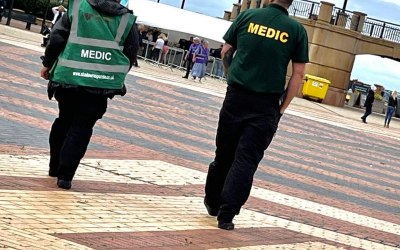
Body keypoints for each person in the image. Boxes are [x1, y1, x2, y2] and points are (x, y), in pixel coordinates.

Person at [204, 0, 309, 230]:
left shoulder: (247, 17)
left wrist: (231, 76)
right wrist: (281, 108)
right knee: (246, 160)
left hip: (236, 96)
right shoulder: (297, 30)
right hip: (266, 105)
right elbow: (298, 74)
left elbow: (225, 51)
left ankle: (212, 202)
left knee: (224, 154)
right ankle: (226, 215)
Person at [40, 0, 138, 190]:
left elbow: (57, 37)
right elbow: (131, 51)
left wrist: (48, 62)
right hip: (100, 85)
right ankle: (66, 176)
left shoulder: (77, 7)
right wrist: (113, 74)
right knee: (82, 127)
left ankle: (55, 167)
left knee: (64, 120)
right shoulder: (126, 19)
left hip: (69, 79)